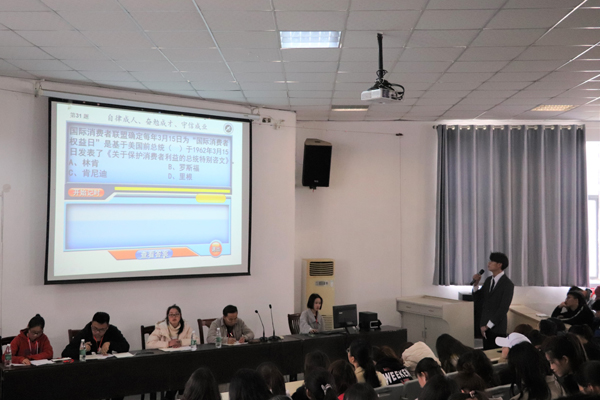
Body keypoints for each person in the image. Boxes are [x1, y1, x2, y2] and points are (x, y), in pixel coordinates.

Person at [472, 252, 515, 350]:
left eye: (492, 261)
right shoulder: (488, 280)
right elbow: (479, 299)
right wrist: (476, 284)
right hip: (484, 325)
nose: (489, 263)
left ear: (499, 265)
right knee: (487, 351)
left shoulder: (507, 284)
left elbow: (503, 308)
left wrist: (488, 325)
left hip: (497, 327)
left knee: (495, 353)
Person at [62, 311, 129, 358]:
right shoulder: (85, 332)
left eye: (102, 330)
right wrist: (82, 349)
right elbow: (65, 353)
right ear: (92, 324)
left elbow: (126, 347)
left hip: (107, 365)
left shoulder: (112, 330)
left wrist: (110, 344)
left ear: (107, 327)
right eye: (95, 328)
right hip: (88, 366)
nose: (97, 332)